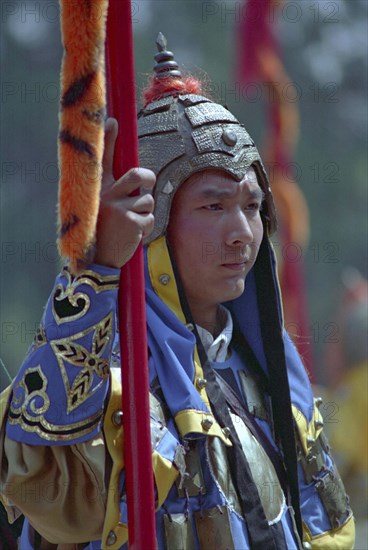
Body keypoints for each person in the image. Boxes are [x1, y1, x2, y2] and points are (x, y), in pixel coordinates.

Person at [0, 37, 354, 550]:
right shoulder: (114, 376)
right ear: (154, 229)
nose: (241, 232)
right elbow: (44, 476)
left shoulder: (269, 373)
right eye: (213, 207)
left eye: (252, 206)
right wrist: (97, 267)